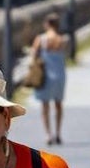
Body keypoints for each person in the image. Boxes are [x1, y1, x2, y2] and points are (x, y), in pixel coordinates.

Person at [30, 14, 69, 146]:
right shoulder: (62, 39)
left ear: (47, 24)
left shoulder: (41, 39)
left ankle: (48, 134)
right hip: (59, 75)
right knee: (58, 105)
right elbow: (66, 55)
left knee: (45, 105)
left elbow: (34, 55)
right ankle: (58, 133)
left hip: (45, 75)